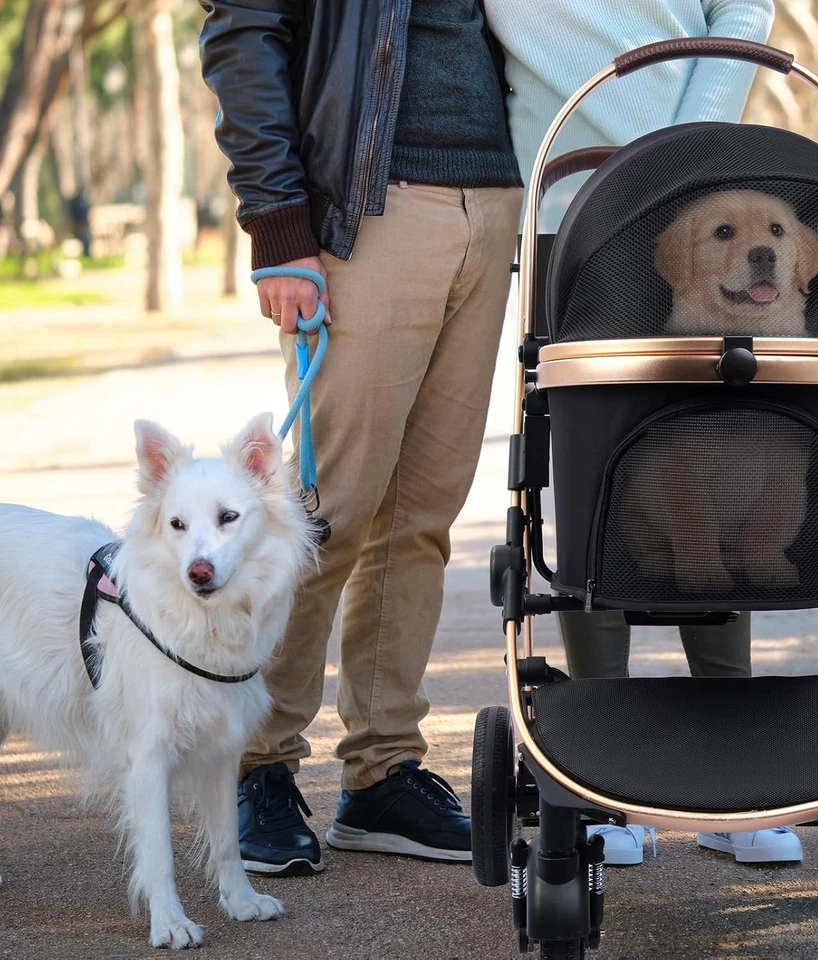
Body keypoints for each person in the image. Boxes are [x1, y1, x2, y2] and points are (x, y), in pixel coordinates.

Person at [198, 0, 523, 875]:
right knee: (322, 513)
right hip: (368, 207)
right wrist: (276, 219)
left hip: (495, 202)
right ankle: (257, 763)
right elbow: (244, 30)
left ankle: (382, 771)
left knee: (422, 514)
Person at [484, 0, 803, 867]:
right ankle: (601, 772)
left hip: (695, 194)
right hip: (567, 205)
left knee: (720, 433)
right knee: (594, 452)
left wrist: (682, 145)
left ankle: (735, 778)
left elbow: (743, 6)